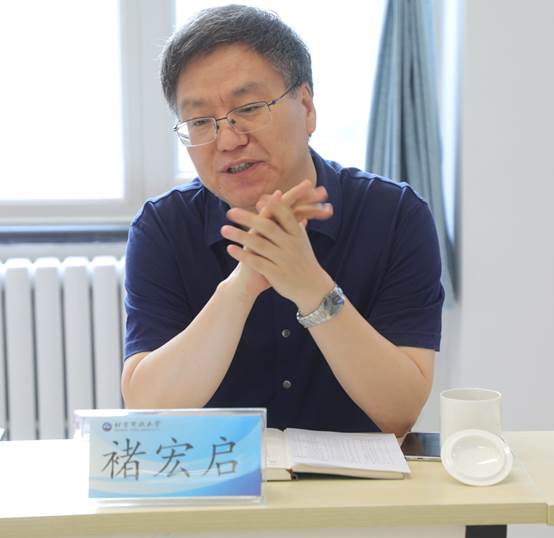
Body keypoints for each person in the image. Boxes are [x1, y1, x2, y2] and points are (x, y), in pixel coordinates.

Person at [121, 4, 444, 437]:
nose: (228, 140)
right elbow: (149, 409)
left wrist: (310, 285)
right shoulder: (162, 227)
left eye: (249, 108)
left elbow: (400, 411)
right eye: (200, 121)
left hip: (355, 478)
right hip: (220, 475)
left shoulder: (395, 216)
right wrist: (242, 284)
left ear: (306, 106)